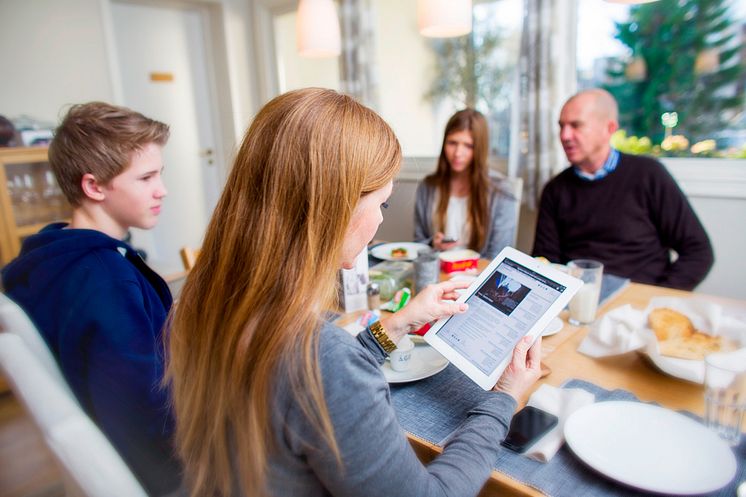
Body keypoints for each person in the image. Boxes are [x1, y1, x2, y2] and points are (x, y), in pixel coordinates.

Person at [166, 88, 541, 497]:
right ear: (335, 208)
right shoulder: (320, 356)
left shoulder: (201, 301)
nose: (381, 220)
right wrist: (504, 398)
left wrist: (397, 324)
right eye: (382, 203)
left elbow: (312, 383)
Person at [2, 102, 181, 496]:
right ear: (94, 186)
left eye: (160, 174)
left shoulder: (51, 257)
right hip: (171, 469)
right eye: (146, 177)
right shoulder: (104, 282)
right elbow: (148, 414)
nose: (161, 190)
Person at [532, 89, 714, 291]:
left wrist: (657, 297)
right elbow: (544, 261)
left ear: (609, 128)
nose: (565, 136)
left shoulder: (648, 174)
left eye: (576, 125)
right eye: (561, 126)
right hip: (579, 301)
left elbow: (698, 251)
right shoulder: (555, 189)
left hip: (638, 301)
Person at [414, 109, 518, 259]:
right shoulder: (427, 187)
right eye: (452, 143)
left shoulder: (502, 192)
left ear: (479, 149)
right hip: (437, 272)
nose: (458, 153)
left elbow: (498, 255)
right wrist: (433, 244)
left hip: (478, 276)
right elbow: (418, 243)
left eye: (468, 146)